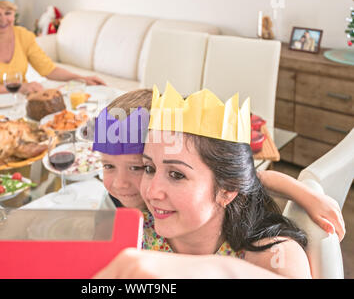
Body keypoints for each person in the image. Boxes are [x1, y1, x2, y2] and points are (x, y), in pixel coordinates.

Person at [93, 85, 345, 278]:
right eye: (148, 168)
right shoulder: (136, 222)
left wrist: (219, 270)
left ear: (228, 190)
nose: (151, 190)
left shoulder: (271, 254)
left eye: (177, 174)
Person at [0, 0, 105, 97]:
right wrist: (20, 87)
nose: (4, 20)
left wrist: (81, 78)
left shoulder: (23, 35)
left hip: (21, 103)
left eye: (8, 13)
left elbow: (49, 69)